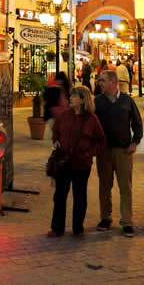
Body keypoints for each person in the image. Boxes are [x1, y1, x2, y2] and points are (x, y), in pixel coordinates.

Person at [48, 86, 106, 239]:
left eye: (74, 96)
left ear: (82, 100)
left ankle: (78, 228)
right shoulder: (64, 116)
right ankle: (57, 227)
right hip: (64, 163)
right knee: (60, 195)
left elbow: (100, 140)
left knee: (80, 196)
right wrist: (56, 141)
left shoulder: (91, 119)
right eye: (71, 96)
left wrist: (89, 153)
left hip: (82, 164)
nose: (70, 99)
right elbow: (56, 132)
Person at [93, 70, 143, 238]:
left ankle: (127, 222)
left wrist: (134, 143)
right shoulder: (97, 102)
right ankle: (105, 218)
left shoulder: (127, 101)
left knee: (125, 187)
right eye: (100, 81)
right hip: (104, 151)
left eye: (103, 81)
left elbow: (137, 123)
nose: (100, 83)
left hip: (123, 151)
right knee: (104, 186)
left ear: (113, 82)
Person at [42, 71, 71, 143]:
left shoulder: (50, 86)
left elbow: (44, 97)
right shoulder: (65, 88)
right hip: (62, 114)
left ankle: (56, 144)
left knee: (54, 131)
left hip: (52, 114)